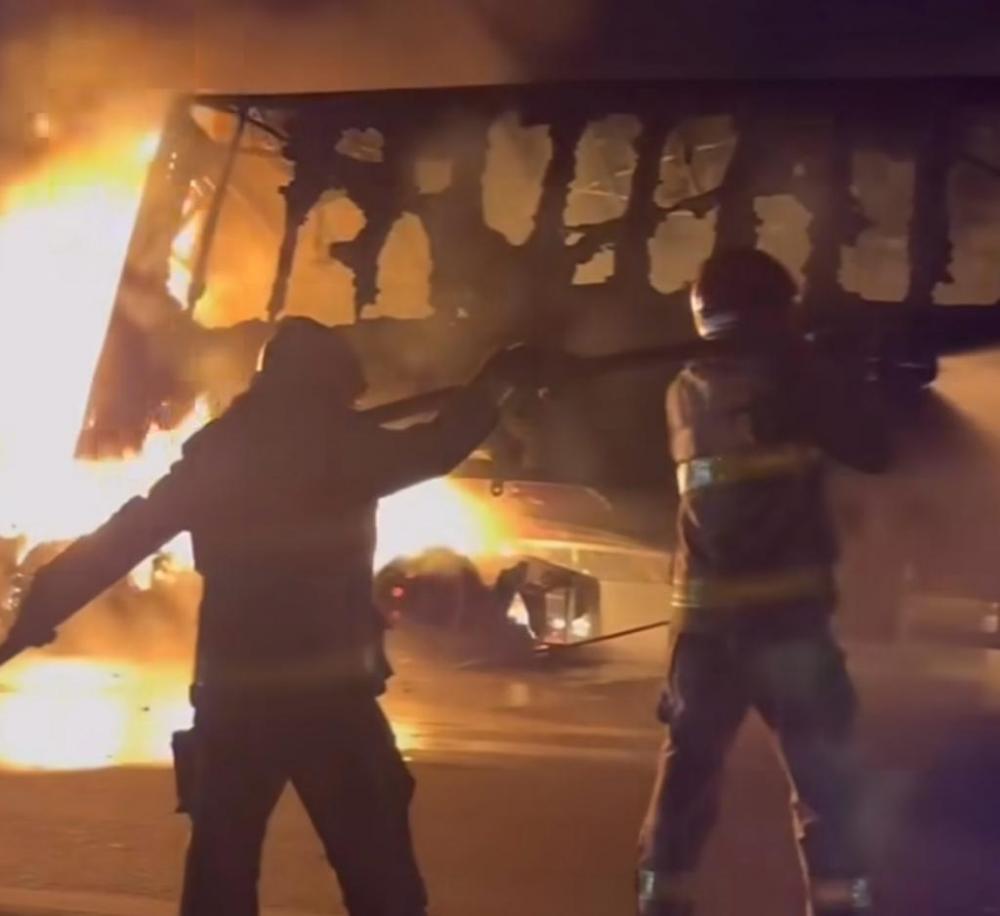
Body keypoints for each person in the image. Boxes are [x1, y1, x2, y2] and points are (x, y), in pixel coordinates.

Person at [0, 317, 534, 916]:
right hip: (329, 700)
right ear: (330, 386)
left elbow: (127, 535)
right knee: (378, 874)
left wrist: (42, 607)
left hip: (236, 697)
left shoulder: (222, 453)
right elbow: (438, 446)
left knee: (221, 873)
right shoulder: (342, 449)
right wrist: (495, 386)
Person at [637, 249, 891, 916]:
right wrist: (846, 372)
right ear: (777, 311)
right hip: (790, 632)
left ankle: (658, 907)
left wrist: (821, 365)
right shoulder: (796, 380)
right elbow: (875, 448)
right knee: (829, 793)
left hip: (704, 636)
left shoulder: (686, 388)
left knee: (683, 794)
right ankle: (844, 909)